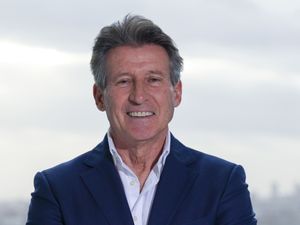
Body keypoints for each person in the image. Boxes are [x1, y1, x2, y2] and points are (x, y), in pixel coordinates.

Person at [26, 15, 257, 225]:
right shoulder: (57, 188)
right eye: (124, 81)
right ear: (99, 97)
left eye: (153, 80)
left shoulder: (223, 183)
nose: (138, 96)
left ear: (176, 93)